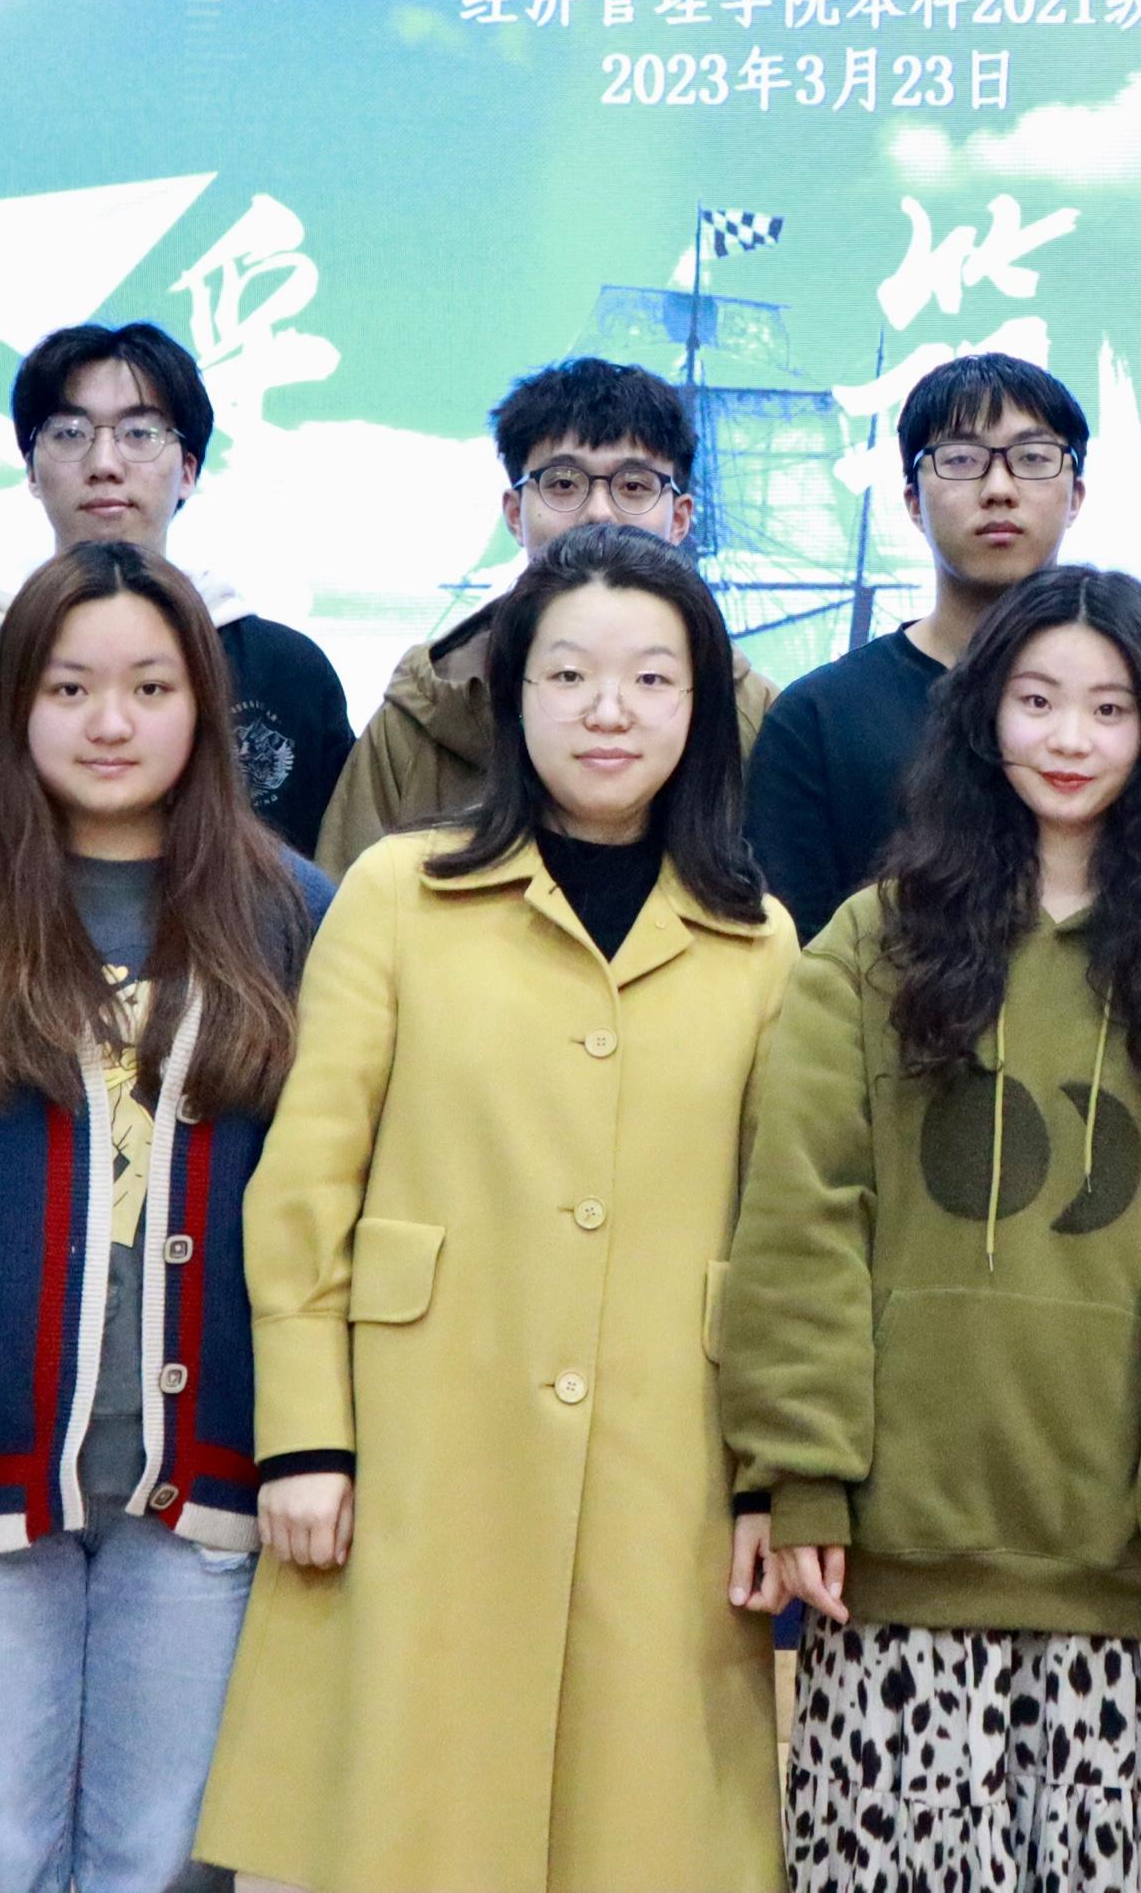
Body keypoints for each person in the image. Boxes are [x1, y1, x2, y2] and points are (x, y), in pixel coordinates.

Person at [203, 526, 797, 1893]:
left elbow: (782, 1236)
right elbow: (304, 1191)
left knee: (643, 1838)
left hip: (668, 1465)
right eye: (569, 674)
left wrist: (772, 1475)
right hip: (422, 1448)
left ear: (700, 709)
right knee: (415, 1827)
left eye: (651, 679)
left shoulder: (761, 937)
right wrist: (305, 1441)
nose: (608, 710)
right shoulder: (400, 894)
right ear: (514, 697)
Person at [720, 565, 1141, 1893]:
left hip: (1115, 1569)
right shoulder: (872, 943)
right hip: (891, 1561)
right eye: (1037, 700)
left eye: (1109, 706)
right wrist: (801, 1473)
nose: (1070, 736)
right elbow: (803, 1215)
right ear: (982, 717)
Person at [0, 541, 334, 1893]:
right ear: (15, 704)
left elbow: (337, 1215)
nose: (109, 722)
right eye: (70, 687)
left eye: (150, 686)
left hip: (207, 1485)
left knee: (167, 1855)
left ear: (203, 708)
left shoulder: (296, 916)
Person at [0, 322, 353, 928]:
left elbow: (342, 928)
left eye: (140, 433)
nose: (105, 464)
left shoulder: (288, 674)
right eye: (70, 433)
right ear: (31, 469)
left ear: (188, 469)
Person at [316, 355, 776, 879]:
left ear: (680, 519)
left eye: (633, 486)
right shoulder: (423, 715)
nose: (599, 511)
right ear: (515, 514)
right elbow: (342, 903)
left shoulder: (756, 716)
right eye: (562, 484)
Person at [747, 351, 1090, 938]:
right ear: (912, 502)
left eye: (1033, 458)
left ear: (1076, 495)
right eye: (961, 460)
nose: (999, 489)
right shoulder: (816, 721)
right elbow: (794, 958)